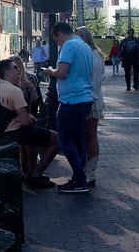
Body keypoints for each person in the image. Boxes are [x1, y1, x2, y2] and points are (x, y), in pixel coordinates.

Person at [0, 59, 58, 188]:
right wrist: (31, 118)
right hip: (13, 132)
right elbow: (25, 121)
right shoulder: (14, 91)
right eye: (15, 68)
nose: (19, 70)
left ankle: (30, 172)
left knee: (34, 134)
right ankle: (35, 174)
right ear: (7, 72)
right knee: (58, 139)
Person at [44, 22, 94, 194]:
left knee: (65, 140)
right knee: (78, 139)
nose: (57, 43)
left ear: (59, 34)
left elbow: (63, 72)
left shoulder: (68, 45)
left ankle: (79, 179)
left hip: (71, 100)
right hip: (85, 97)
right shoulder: (84, 46)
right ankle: (80, 178)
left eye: (55, 39)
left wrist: (51, 71)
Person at [75, 26, 106, 187]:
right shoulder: (97, 54)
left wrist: (90, 99)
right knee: (89, 135)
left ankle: (88, 171)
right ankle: (88, 170)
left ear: (85, 39)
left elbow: (93, 80)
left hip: (89, 100)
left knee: (88, 135)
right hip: (93, 99)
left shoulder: (90, 55)